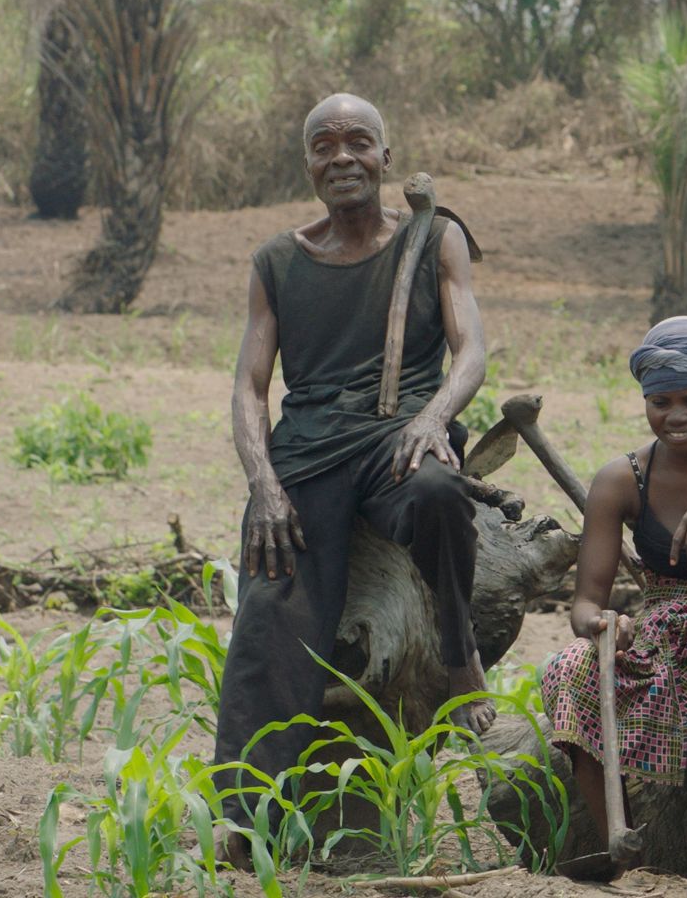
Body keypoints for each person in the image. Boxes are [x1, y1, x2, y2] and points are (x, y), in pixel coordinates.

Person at [213, 93, 489, 859]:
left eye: (358, 142)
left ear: (385, 157)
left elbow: (471, 351)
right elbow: (248, 385)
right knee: (271, 611)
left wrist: (434, 420)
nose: (342, 157)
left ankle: (460, 657)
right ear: (308, 164)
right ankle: (249, 816)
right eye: (324, 145)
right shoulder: (278, 260)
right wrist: (263, 482)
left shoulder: (436, 238)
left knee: (438, 494)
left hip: (397, 435)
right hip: (305, 453)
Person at [538, 317, 687, 853]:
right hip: (667, 632)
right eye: (660, 402)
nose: (677, 416)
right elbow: (586, 602)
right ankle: (619, 843)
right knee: (570, 668)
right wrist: (603, 624)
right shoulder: (622, 479)